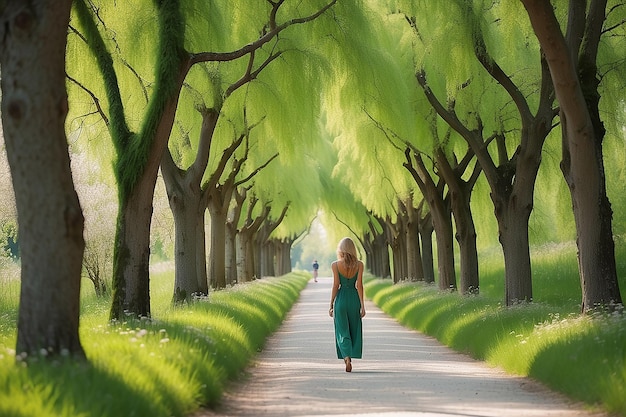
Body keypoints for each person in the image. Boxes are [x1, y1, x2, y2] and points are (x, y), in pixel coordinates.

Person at [328, 237, 365, 372]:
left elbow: (336, 285)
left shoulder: (335, 265)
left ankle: (346, 357)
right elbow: (359, 285)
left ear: (341, 249)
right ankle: (351, 354)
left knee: (342, 330)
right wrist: (362, 305)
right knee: (354, 329)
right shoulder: (359, 265)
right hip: (354, 299)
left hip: (341, 299)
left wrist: (331, 304)